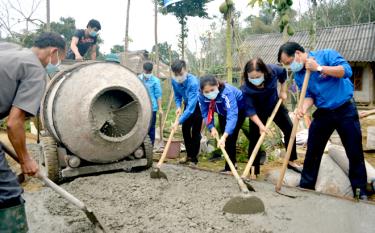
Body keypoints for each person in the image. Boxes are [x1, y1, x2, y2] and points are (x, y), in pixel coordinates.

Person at [278, 42, 368, 199]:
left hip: (345, 109)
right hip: (324, 113)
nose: (289, 66)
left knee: (354, 151)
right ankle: (306, 186)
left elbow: (346, 71)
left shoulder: (326, 55)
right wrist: (303, 108)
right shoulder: (300, 75)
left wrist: (319, 68)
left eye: (289, 62)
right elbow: (309, 96)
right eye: (286, 65)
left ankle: (360, 190)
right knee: (313, 149)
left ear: (298, 53)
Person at [0, 32, 66, 232]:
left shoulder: (9, 48)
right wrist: (26, 159)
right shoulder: (35, 70)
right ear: (53, 52)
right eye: (60, 58)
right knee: (8, 192)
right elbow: (14, 123)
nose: (57, 63)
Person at [241, 58, 302, 178]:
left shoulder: (273, 70)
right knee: (255, 138)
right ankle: (254, 170)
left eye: (257, 76)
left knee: (290, 129)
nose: (254, 80)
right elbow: (250, 110)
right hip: (257, 111)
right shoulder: (245, 88)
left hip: (274, 104)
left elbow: (283, 75)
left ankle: (291, 161)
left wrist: (283, 91)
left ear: (264, 72)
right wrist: (261, 126)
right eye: (251, 77)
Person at [199, 75, 246, 173]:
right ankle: (231, 165)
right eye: (206, 92)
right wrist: (211, 127)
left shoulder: (227, 92)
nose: (209, 93)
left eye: (212, 90)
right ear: (202, 91)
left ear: (217, 85)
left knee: (230, 137)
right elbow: (205, 112)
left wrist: (224, 136)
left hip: (238, 109)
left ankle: (230, 167)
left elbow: (232, 115)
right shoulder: (201, 95)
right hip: (221, 110)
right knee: (225, 136)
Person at [171, 60, 202, 166]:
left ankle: (194, 159)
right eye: (176, 74)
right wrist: (178, 106)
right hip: (187, 103)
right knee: (185, 129)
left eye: (181, 74)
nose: (178, 77)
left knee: (196, 132)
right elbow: (177, 95)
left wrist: (178, 121)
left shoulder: (193, 82)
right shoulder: (174, 81)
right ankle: (189, 155)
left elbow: (191, 108)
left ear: (186, 71)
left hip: (197, 106)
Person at [139, 62, 163, 145]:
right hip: (141, 107)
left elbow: (158, 95)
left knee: (151, 128)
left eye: (149, 72)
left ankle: (150, 147)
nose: (147, 74)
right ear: (143, 70)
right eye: (146, 72)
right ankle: (140, 145)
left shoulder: (155, 81)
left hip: (152, 108)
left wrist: (160, 108)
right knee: (141, 127)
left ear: (151, 71)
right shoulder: (138, 79)